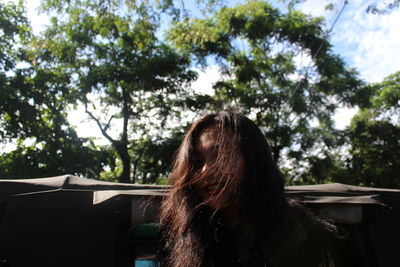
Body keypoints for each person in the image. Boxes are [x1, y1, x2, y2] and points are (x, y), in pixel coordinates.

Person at [159, 110, 340, 267]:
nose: (205, 171)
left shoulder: (292, 224)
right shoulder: (189, 233)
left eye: (221, 156)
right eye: (197, 162)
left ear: (252, 160)